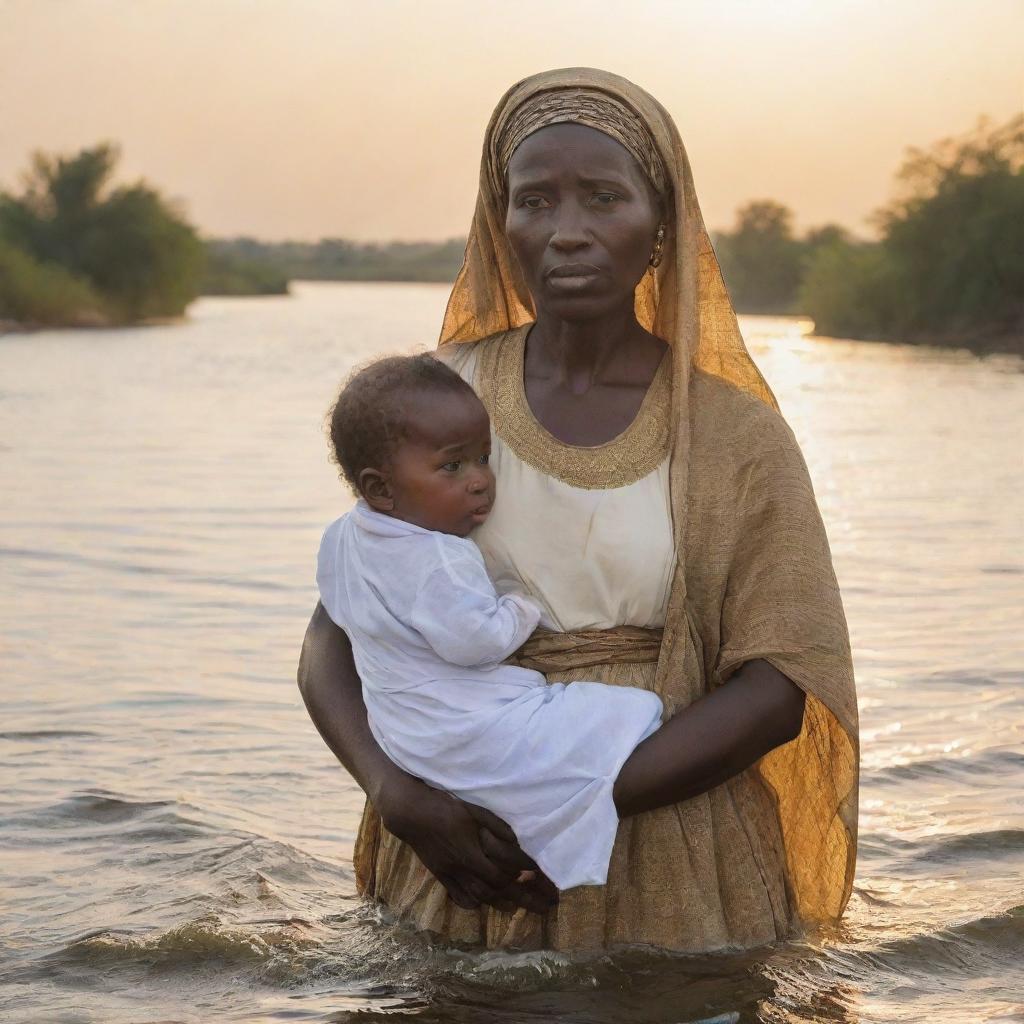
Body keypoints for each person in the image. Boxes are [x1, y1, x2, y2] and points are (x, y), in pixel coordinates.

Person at [298, 67, 858, 952]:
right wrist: (393, 792)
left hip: (666, 838)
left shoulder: (736, 437)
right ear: (500, 222)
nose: (567, 233)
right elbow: (338, 632)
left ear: (662, 224)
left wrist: (560, 792)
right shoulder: (440, 400)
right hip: (460, 851)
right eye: (534, 202)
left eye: (603, 197)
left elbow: (779, 688)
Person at [316, 353, 663, 892]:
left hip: (401, 737)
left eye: (483, 458)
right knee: (629, 714)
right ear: (380, 488)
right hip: (463, 727)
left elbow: (339, 615)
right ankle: (556, 844)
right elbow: (476, 644)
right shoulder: (440, 555)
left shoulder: (339, 540)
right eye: (452, 466)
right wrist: (520, 606)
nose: (480, 481)